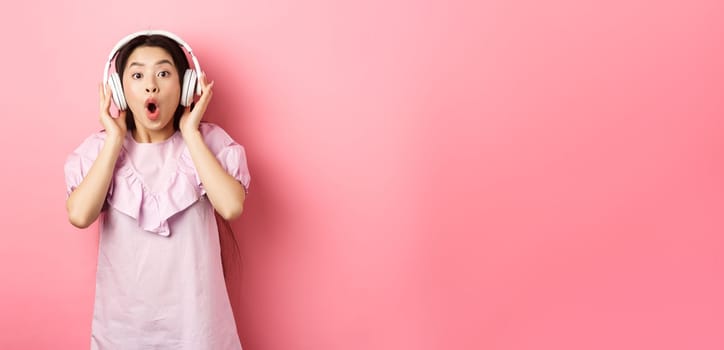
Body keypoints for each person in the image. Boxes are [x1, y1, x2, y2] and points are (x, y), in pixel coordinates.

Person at [64, 30, 250, 350]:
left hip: (197, 327)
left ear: (185, 86)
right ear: (120, 92)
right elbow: (80, 215)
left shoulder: (209, 143)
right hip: (123, 329)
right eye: (137, 75)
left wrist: (190, 132)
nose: (151, 84)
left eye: (164, 73)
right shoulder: (100, 150)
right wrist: (113, 137)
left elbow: (231, 207)